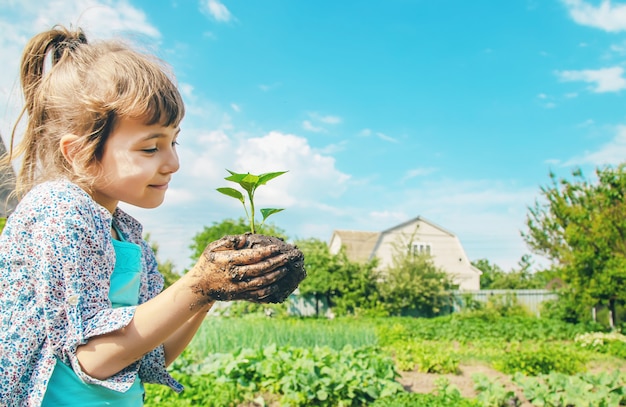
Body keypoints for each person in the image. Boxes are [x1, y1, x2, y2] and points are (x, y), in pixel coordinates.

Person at [0, 25, 297, 406]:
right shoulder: (59, 211)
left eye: (173, 141)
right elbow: (93, 359)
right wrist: (198, 283)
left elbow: (151, 355)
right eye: (150, 147)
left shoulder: (126, 232)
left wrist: (211, 293)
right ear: (78, 152)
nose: (173, 162)